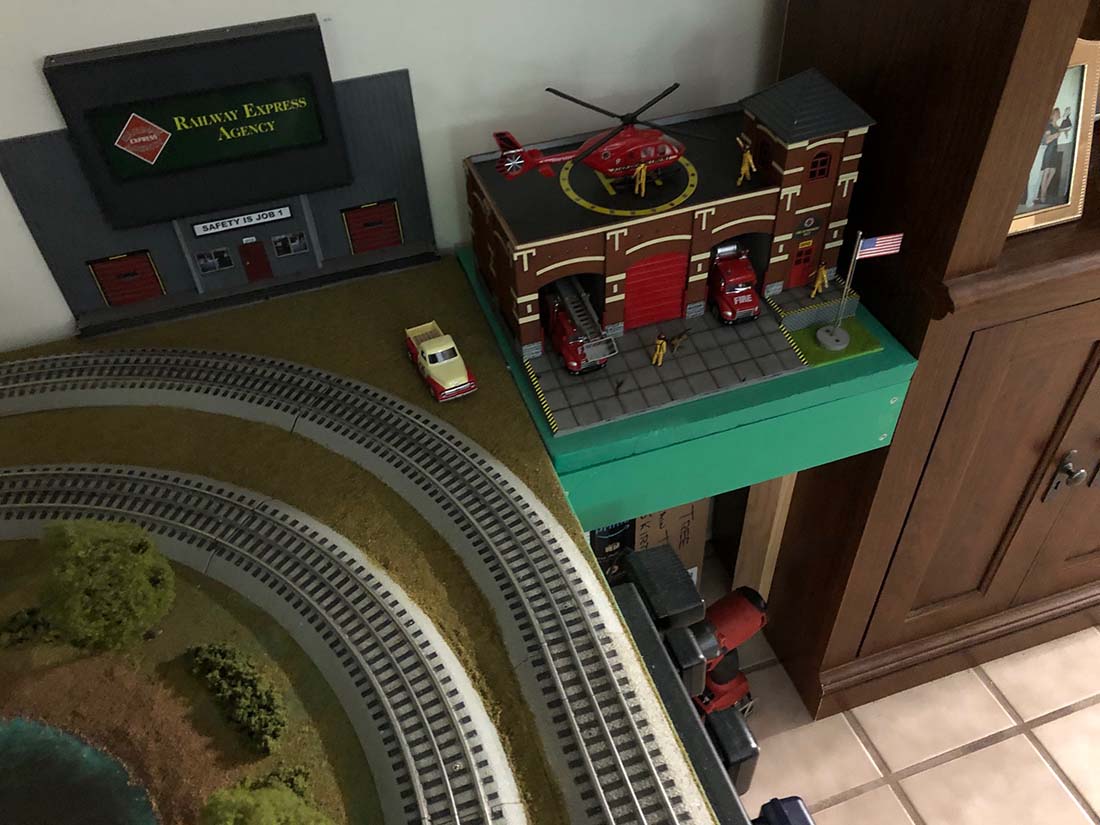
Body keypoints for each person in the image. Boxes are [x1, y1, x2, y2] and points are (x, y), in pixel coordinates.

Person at [1037, 107, 1061, 205]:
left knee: (1053, 171)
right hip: (1049, 150)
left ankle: (1044, 191)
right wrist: (1055, 136)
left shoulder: (1057, 127)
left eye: (1058, 113)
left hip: (1055, 150)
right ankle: (1043, 195)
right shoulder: (1049, 125)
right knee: (1046, 172)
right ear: (1052, 115)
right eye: (1056, 113)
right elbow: (1046, 140)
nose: (1058, 114)